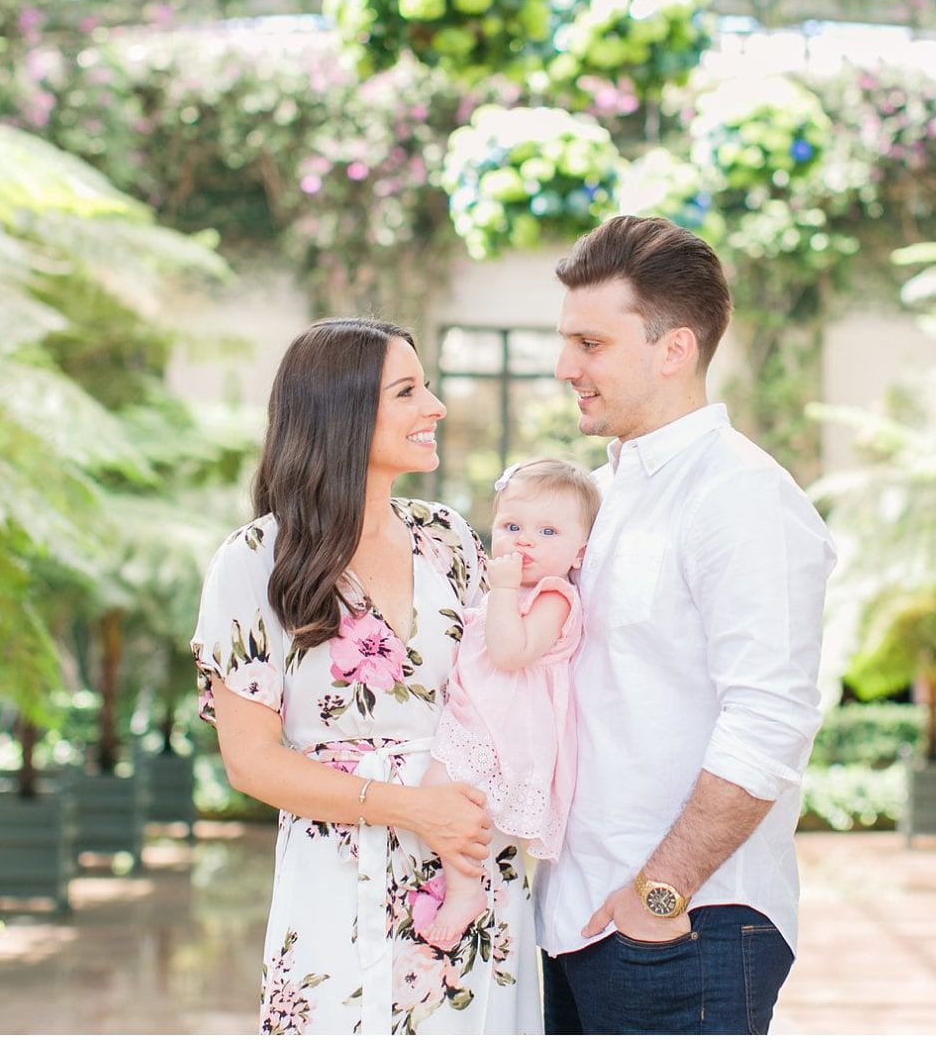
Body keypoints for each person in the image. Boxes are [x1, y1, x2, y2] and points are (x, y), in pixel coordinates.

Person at [190, 318, 540, 1036]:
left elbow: (511, 691)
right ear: (343, 414)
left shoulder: (448, 540)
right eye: (408, 391)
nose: (435, 407)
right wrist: (411, 809)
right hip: (338, 884)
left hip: (472, 877)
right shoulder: (255, 561)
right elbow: (250, 762)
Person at [537, 215, 837, 1035]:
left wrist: (658, 894)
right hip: (580, 922)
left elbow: (770, 719)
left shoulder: (741, 498)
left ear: (673, 350)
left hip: (685, 927)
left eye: (590, 344)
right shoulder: (613, 491)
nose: (566, 367)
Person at [419, 457, 599, 947]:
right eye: (512, 526)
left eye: (547, 532)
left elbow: (510, 651)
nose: (524, 541)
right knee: (445, 800)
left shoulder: (553, 597)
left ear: (578, 553)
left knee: (445, 797)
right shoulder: (504, 591)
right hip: (477, 716)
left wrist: (499, 591)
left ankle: (464, 891)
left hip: (508, 730)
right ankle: (463, 885)